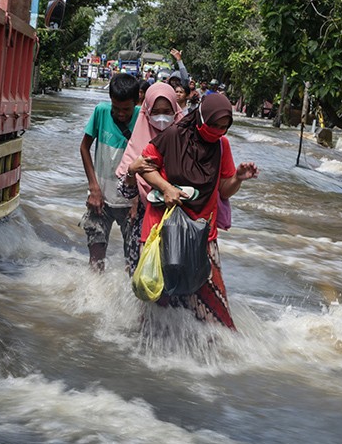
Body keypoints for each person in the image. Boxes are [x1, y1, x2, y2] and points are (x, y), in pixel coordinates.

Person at [136, 93, 259, 328]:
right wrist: (166, 187)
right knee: (156, 303)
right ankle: (148, 354)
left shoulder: (222, 146)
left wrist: (239, 178)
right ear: (201, 117)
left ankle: (217, 356)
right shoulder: (173, 136)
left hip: (202, 233)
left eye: (224, 127)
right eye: (214, 125)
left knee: (215, 308)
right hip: (162, 230)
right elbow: (143, 166)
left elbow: (224, 190)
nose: (218, 131)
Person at [114, 83, 185, 274]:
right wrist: (132, 171)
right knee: (143, 282)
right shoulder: (139, 143)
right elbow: (126, 191)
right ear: (147, 111)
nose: (162, 117)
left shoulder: (188, 141)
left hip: (179, 225)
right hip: (144, 223)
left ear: (176, 111)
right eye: (156, 111)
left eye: (167, 111)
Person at [79, 73, 141, 272]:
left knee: (132, 264)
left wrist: (138, 199)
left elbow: (149, 161)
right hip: (101, 199)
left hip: (130, 202)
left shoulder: (142, 119)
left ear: (136, 101)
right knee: (95, 263)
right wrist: (93, 187)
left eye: (126, 109)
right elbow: (84, 148)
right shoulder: (101, 112)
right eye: (116, 108)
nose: (121, 114)